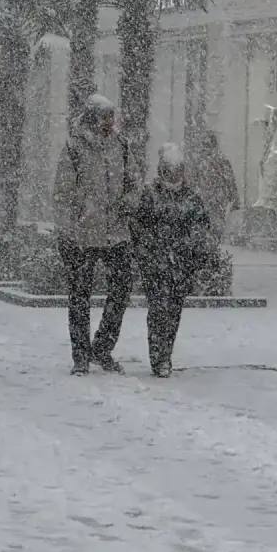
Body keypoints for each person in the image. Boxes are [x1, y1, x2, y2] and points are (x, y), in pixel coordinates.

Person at [53, 94, 139, 375]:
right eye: (105, 116)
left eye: (112, 116)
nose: (110, 122)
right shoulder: (74, 147)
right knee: (79, 296)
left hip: (116, 232)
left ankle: (102, 347)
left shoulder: (121, 146)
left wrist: (128, 202)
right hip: (83, 233)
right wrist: (69, 229)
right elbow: (63, 192)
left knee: (122, 289)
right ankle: (80, 355)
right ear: (92, 117)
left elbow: (134, 183)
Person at [131, 143, 214, 378]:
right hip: (155, 264)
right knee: (158, 310)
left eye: (178, 170)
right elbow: (139, 226)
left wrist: (187, 247)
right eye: (169, 170)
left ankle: (166, 353)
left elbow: (201, 226)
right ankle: (159, 357)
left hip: (181, 265)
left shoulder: (191, 197)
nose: (174, 175)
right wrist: (150, 249)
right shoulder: (150, 194)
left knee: (174, 312)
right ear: (162, 170)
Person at [188, 131, 239, 243]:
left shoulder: (202, 162)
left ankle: (210, 243)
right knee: (214, 227)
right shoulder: (220, 160)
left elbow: (193, 182)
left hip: (209, 200)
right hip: (214, 200)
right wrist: (234, 198)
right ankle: (212, 243)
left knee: (209, 227)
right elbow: (230, 181)